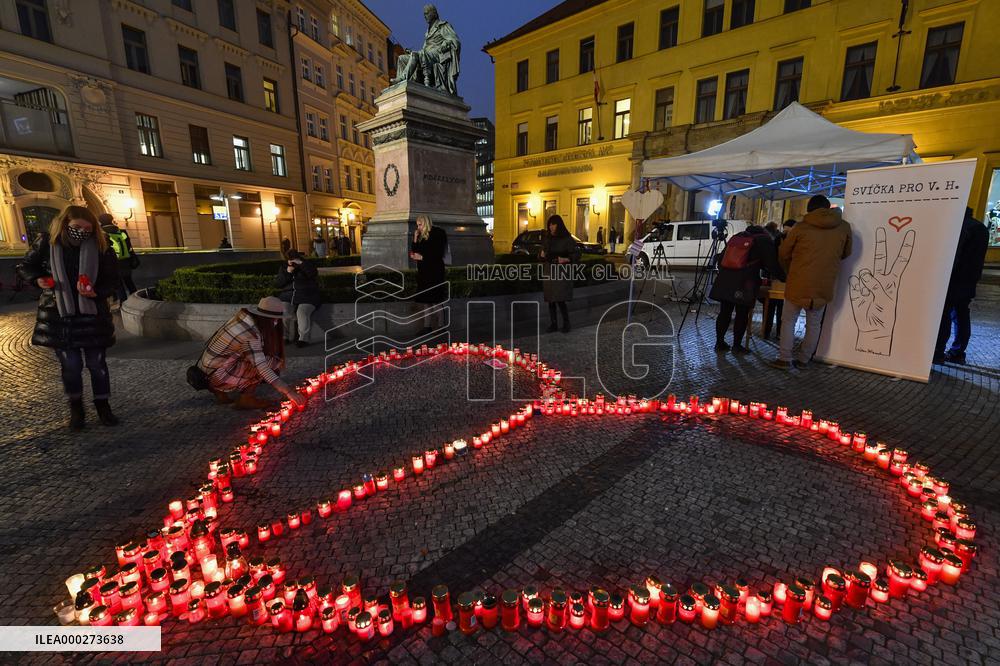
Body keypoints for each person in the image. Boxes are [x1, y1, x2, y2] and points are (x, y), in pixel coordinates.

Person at [17, 205, 120, 430]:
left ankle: (103, 405)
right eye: (76, 227)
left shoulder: (102, 247)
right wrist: (39, 280)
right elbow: (26, 266)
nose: (81, 232)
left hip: (92, 316)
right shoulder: (47, 242)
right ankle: (76, 407)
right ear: (65, 224)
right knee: (71, 365)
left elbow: (113, 279)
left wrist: (96, 292)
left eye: (87, 228)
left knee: (97, 364)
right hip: (59, 316)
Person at [772, 195, 852, 369]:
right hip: (823, 284)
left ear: (810, 209)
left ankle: (784, 358)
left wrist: (790, 270)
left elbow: (784, 253)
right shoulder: (844, 227)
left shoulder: (801, 228)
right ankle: (804, 359)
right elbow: (846, 253)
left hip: (798, 281)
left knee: (788, 320)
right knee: (814, 323)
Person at [196, 296, 305, 409]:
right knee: (271, 362)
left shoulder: (243, 319)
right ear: (266, 319)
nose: (276, 322)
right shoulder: (250, 334)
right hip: (215, 376)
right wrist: (288, 392)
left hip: (207, 370)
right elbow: (262, 367)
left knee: (252, 358)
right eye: (275, 319)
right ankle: (246, 399)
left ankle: (219, 392)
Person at [711, 225, 783, 353]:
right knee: (742, 313)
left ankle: (719, 342)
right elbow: (772, 264)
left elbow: (721, 259)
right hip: (745, 283)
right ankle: (737, 346)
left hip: (725, 279)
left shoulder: (737, 237)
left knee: (724, 312)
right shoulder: (763, 241)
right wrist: (784, 278)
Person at [934, 207, 989, 364]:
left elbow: (956, 256)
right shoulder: (981, 228)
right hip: (970, 280)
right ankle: (958, 352)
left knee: (945, 314)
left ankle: (937, 353)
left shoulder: (960, 227)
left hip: (954, 280)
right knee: (961, 314)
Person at [540, 214, 580, 333]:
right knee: (551, 299)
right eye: (550, 224)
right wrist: (541, 255)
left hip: (561, 272)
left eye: (554, 224)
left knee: (560, 299)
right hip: (549, 271)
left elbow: (577, 254)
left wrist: (566, 259)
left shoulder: (567, 239)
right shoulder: (548, 239)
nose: (551, 227)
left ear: (559, 225)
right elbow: (542, 253)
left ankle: (566, 323)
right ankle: (554, 324)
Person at [410, 214, 449, 334]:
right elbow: (415, 250)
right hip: (424, 271)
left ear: (426, 223)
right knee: (426, 299)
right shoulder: (421, 235)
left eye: (420, 224)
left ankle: (441, 326)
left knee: (435, 299)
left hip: (435, 271)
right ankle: (427, 327)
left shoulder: (438, 233)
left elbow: (438, 253)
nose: (418, 227)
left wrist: (422, 257)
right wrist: (415, 238)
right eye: (417, 225)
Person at [275, 250, 322, 347]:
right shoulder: (284, 267)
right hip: (288, 296)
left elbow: (313, 273)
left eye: (294, 259)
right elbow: (278, 283)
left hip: (308, 295)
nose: (292, 262)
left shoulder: (306, 264)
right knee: (283, 310)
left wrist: (302, 264)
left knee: (302, 312)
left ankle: (303, 339)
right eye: (289, 260)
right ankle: (284, 337)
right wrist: (287, 273)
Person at [763, 219, 797, 339]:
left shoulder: (778, 239)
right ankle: (774, 332)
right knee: (777, 306)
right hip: (783, 277)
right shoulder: (784, 240)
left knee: (776, 306)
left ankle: (770, 332)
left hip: (778, 276)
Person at [98, 214, 139, 301]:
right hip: (126, 260)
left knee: (119, 284)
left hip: (112, 261)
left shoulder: (102, 233)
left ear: (101, 221)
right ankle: (136, 300)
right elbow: (129, 246)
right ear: (111, 220)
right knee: (129, 281)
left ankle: (123, 303)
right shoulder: (122, 231)